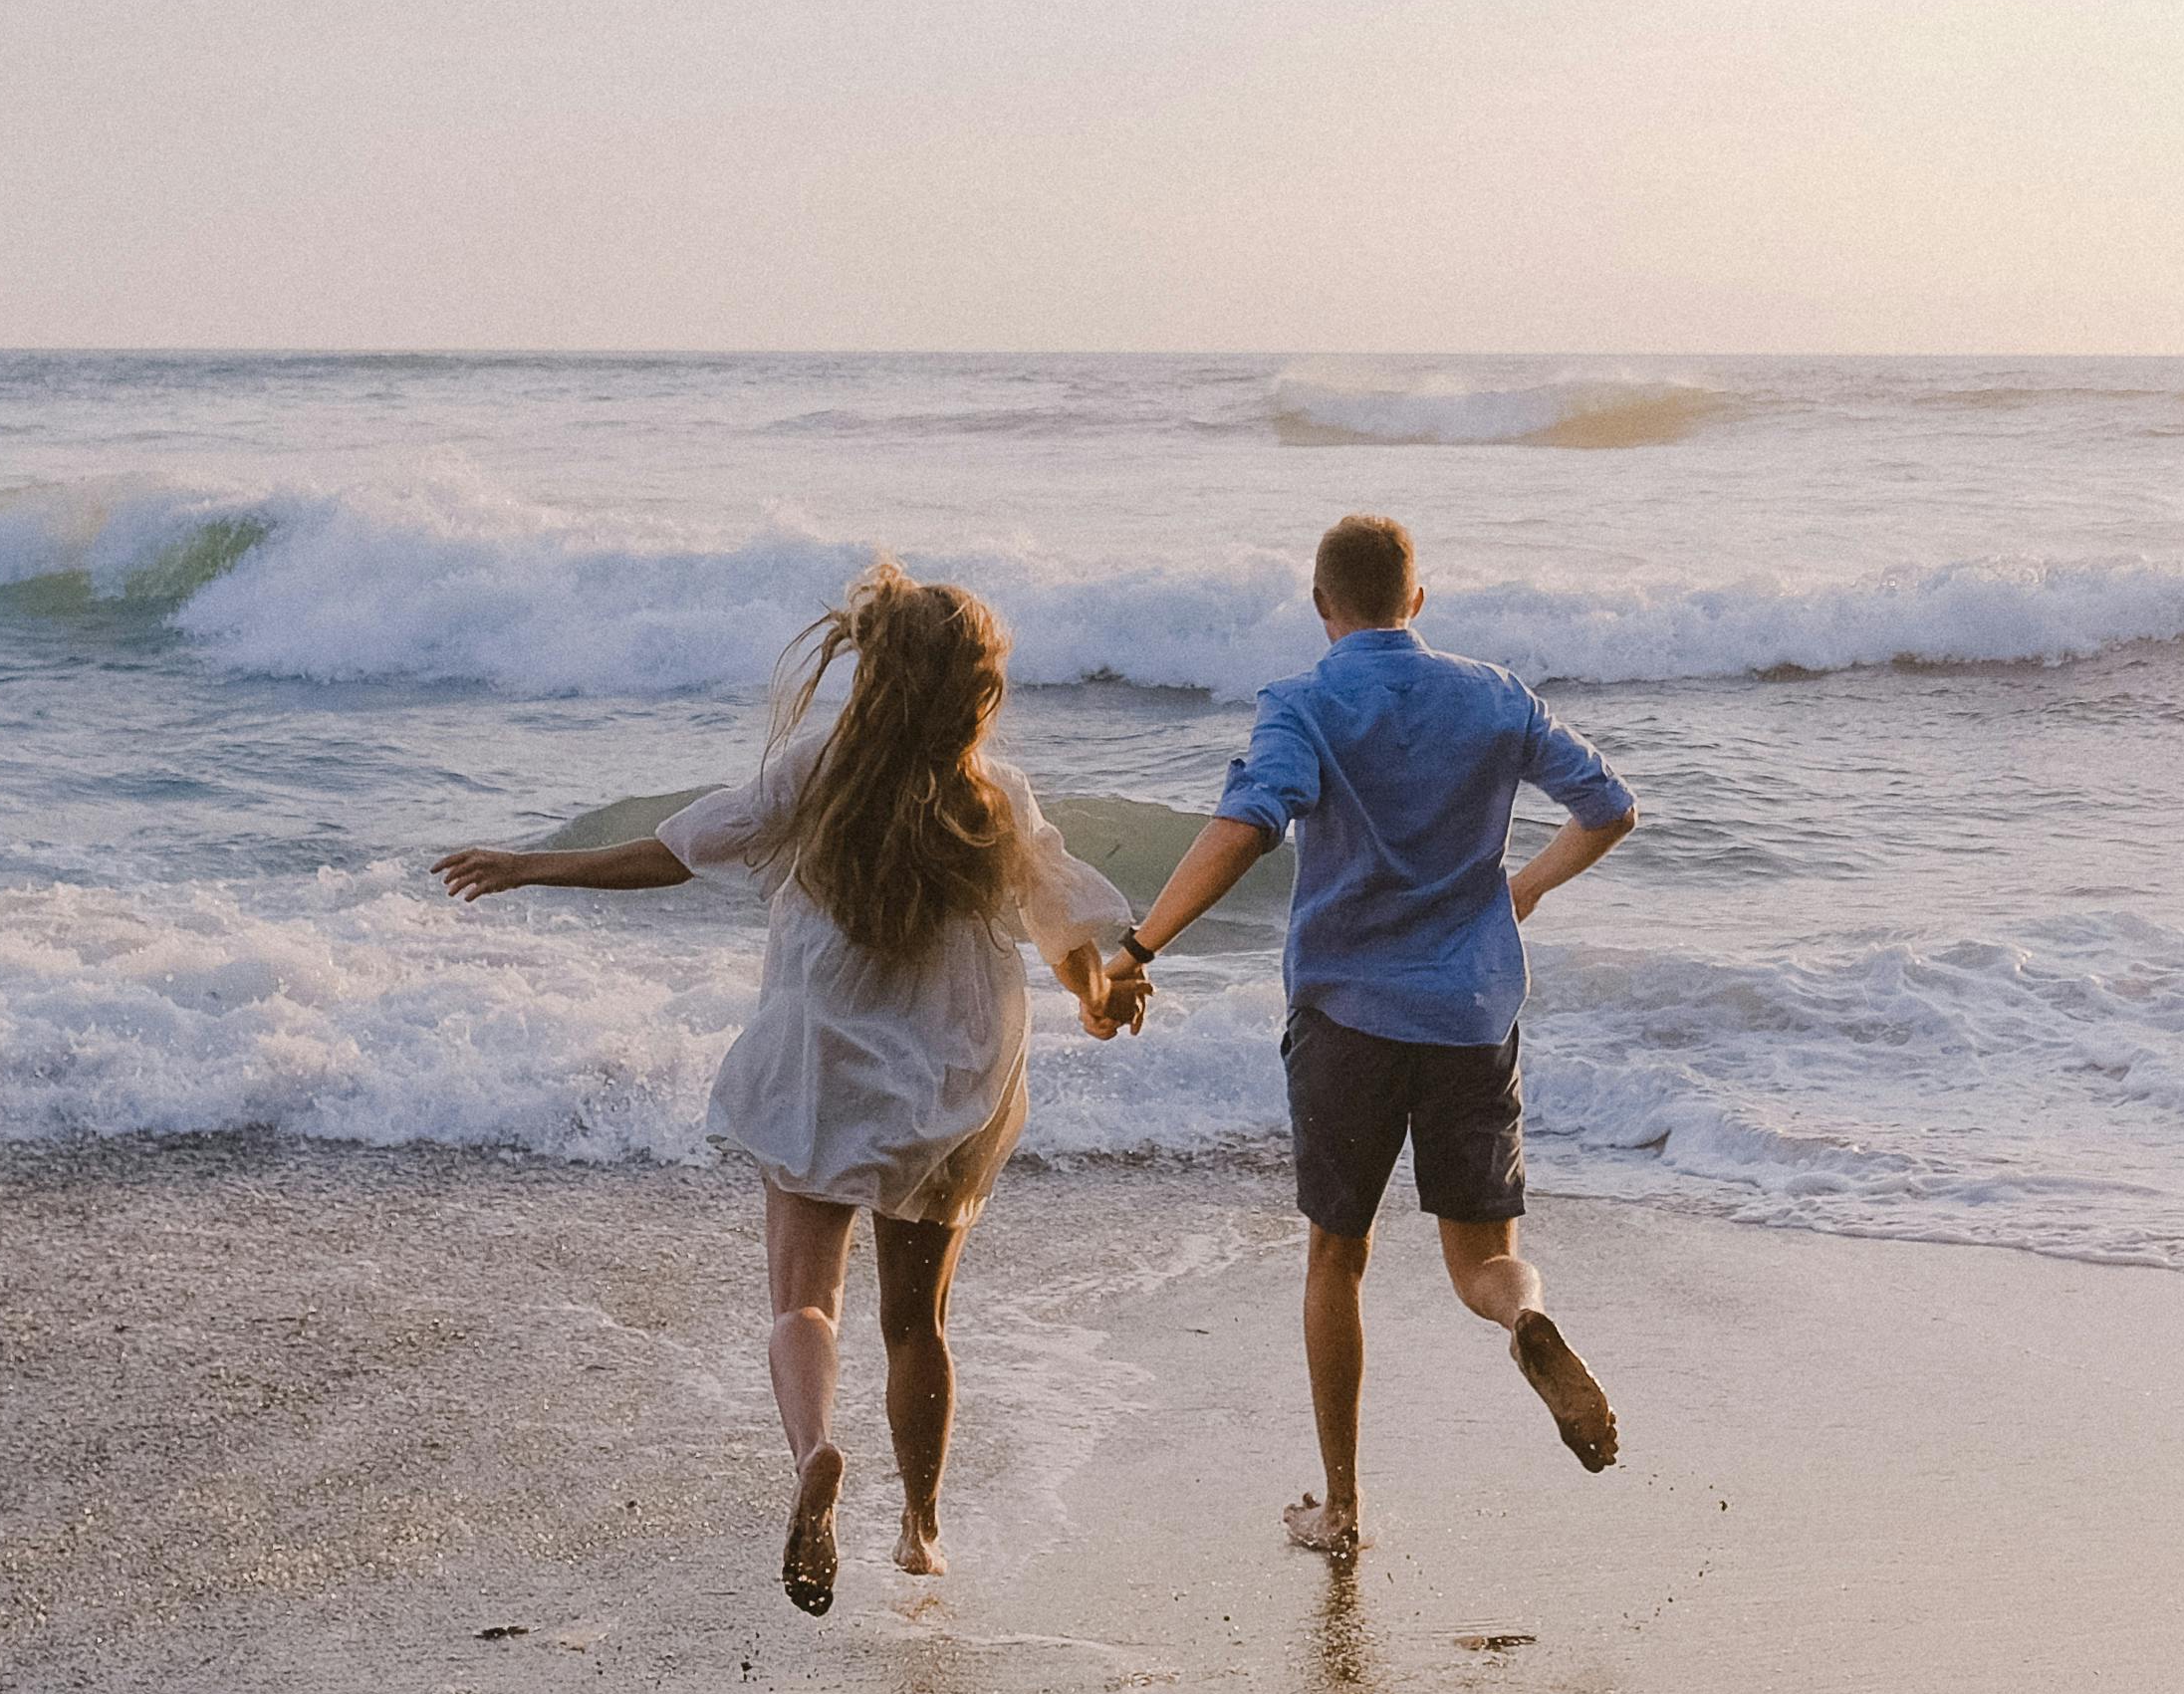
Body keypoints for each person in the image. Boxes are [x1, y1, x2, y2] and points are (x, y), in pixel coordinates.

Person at [435, 563, 1140, 1616]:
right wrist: (1094, 991)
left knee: (803, 1295)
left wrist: (537, 863)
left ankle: (814, 1448)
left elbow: (678, 849)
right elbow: (1060, 916)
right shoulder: (994, 793)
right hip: (949, 1079)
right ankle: (921, 1527)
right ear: (974, 692)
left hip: (822, 1065)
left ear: (875, 672)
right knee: (917, 1320)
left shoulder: (817, 771)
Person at [1100, 513, 1635, 1563]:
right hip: (1470, 1014)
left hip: (1345, 1016)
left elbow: (1249, 821)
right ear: (1417, 602)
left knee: (1336, 1259)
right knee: (1485, 1259)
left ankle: (1340, 1508)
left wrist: (1139, 944)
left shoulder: (1303, 700)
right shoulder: (1492, 693)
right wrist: (1515, 888)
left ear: (1319, 605)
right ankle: (1527, 1319)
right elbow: (1608, 806)